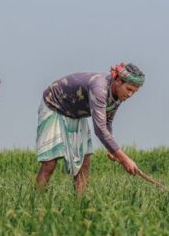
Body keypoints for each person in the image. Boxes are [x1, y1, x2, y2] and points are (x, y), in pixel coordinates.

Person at [35, 63, 145, 194]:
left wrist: (111, 149)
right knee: (50, 162)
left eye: (134, 91)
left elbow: (107, 120)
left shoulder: (118, 95)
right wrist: (124, 159)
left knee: (84, 162)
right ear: (118, 81)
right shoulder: (99, 88)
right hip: (54, 105)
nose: (130, 94)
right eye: (129, 89)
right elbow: (99, 129)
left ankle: (80, 208)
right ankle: (36, 202)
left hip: (75, 113)